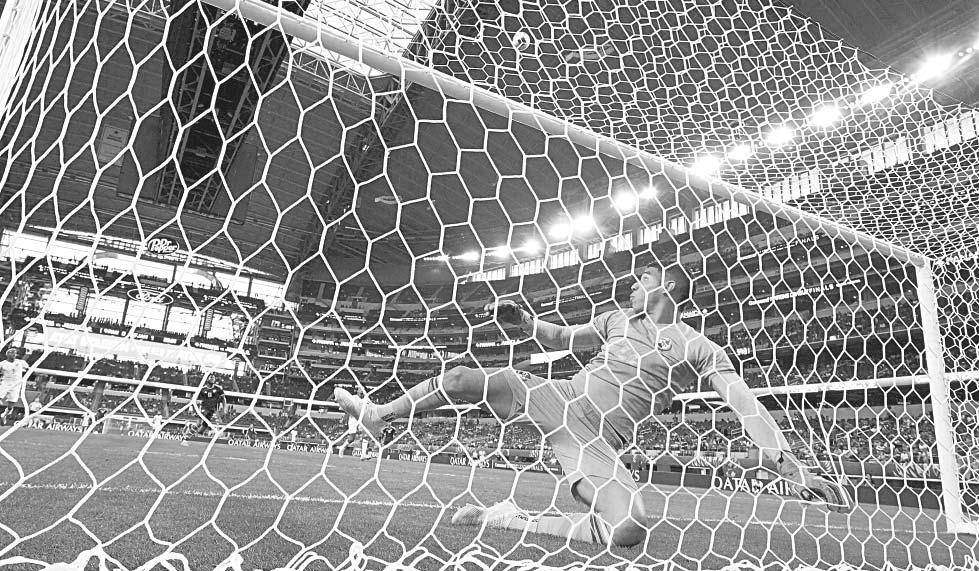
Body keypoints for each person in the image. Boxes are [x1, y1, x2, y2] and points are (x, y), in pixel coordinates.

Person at [335, 263, 851, 547]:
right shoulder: (614, 320)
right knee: (462, 377)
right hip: (562, 398)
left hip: (599, 440)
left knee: (629, 528)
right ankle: (379, 416)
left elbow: (745, 403)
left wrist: (789, 464)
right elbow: (562, 337)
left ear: (667, 286)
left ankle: (508, 518)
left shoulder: (699, 346)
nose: (632, 284)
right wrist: (525, 323)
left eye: (641, 279)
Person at [181, 377, 226, 446]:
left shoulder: (218, 389)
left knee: (200, 428)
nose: (212, 379)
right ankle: (185, 439)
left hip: (212, 410)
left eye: (213, 378)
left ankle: (189, 426)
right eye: (211, 378)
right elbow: (194, 398)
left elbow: (223, 399)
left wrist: (223, 409)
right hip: (204, 408)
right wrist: (192, 407)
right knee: (199, 423)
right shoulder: (203, 389)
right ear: (207, 379)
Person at [0, 348, 30, 426]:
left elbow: (28, 369)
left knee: (12, 403)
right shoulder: (2, 364)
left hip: (16, 385)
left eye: (14, 353)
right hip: (5, 383)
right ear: (7, 354)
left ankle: (4, 414)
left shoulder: (21, 362)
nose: (13, 355)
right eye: (11, 353)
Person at [337, 387, 369, 457]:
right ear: (357, 391)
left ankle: (363, 454)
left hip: (362, 419)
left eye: (363, 390)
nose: (362, 391)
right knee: (351, 438)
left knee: (366, 435)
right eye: (360, 389)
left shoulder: (366, 399)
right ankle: (342, 447)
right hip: (353, 419)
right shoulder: (353, 398)